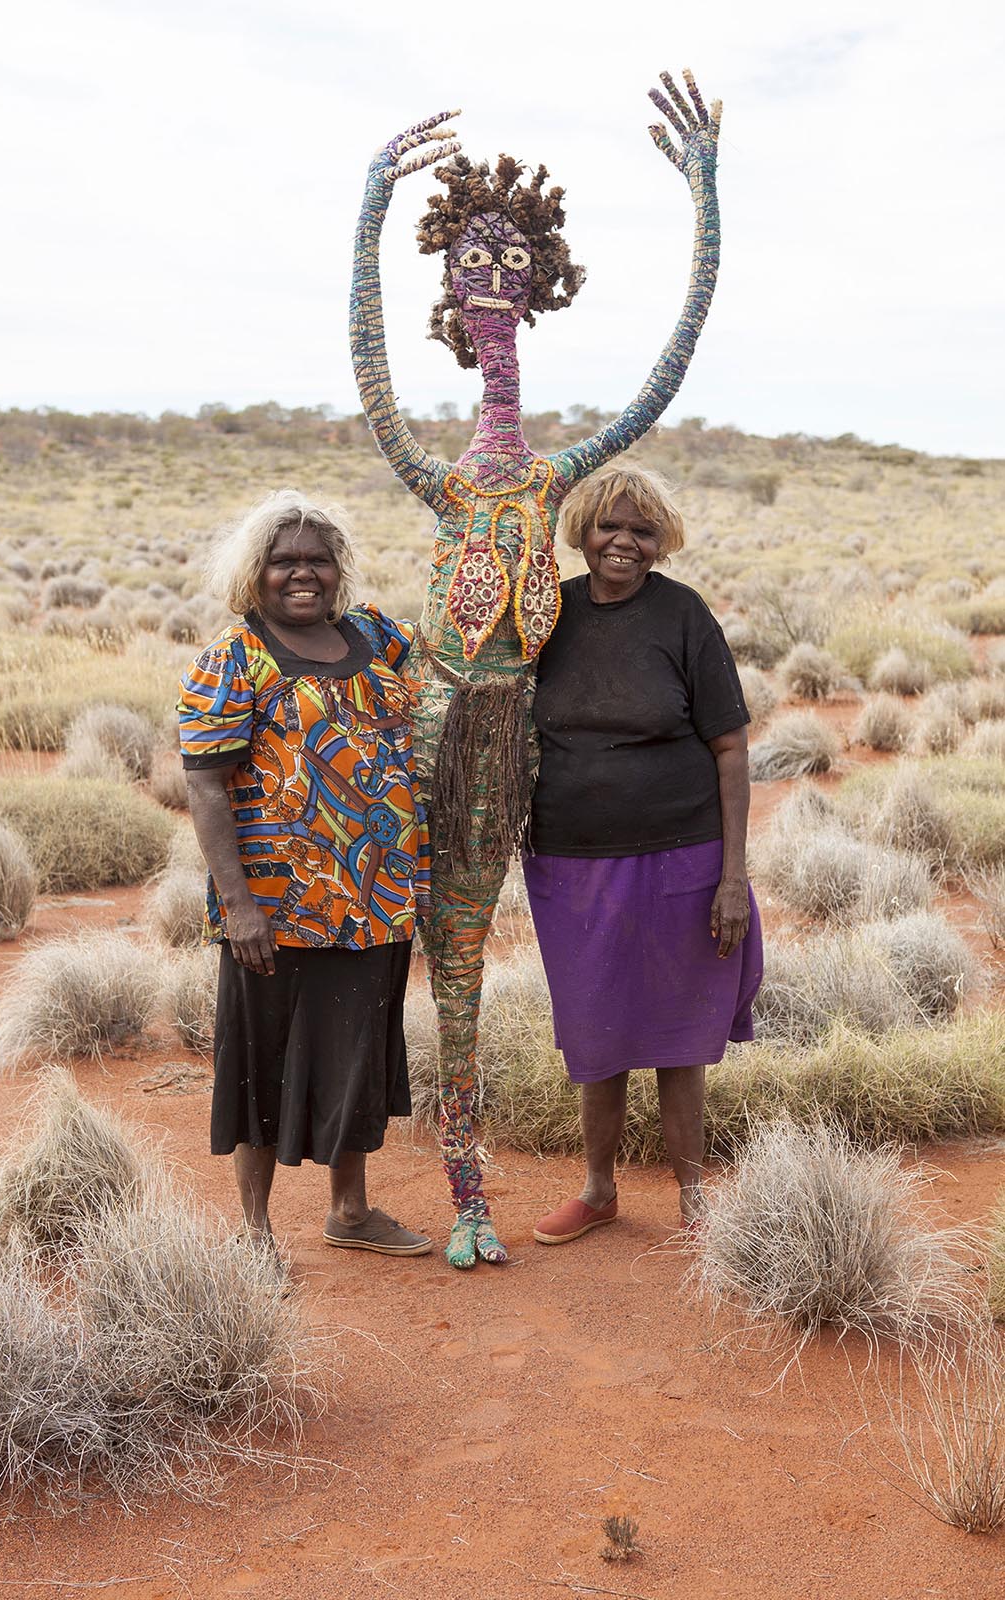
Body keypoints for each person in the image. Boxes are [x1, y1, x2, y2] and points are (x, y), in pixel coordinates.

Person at [349, 70, 724, 1269]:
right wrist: (369, 210)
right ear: (452, 288)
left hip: (532, 756)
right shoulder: (444, 476)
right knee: (448, 964)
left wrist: (706, 201)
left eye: (513, 259)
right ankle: (465, 1196)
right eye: (475, 261)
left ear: (541, 281)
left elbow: (668, 371)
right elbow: (370, 375)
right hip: (437, 731)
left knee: (581, 977)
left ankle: (637, 1183)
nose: (495, 277)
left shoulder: (557, 476)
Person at [178, 488, 433, 1266]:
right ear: (254, 574)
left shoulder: (378, 638)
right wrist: (238, 905)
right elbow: (205, 784)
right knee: (262, 1061)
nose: (302, 573)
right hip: (276, 911)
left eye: (317, 559)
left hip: (376, 900)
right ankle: (254, 1232)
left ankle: (349, 1211)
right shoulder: (236, 659)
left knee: (359, 1053)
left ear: (338, 569)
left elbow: (455, 665)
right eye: (283, 561)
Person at [523, 464, 763, 1242]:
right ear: (582, 530)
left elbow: (730, 749)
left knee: (677, 1032)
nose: (623, 541)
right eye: (609, 526)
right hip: (571, 859)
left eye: (642, 530)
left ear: (662, 542)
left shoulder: (683, 616)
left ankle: (695, 1199)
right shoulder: (547, 614)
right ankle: (598, 1191)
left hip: (682, 858)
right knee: (594, 1029)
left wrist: (733, 878)